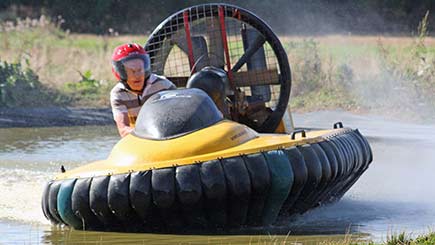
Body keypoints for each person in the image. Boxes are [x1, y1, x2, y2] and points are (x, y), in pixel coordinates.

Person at [110, 43, 176, 137]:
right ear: (121, 72)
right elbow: (123, 130)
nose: (137, 76)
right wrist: (149, 133)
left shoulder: (163, 85)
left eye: (140, 70)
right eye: (132, 71)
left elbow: (179, 115)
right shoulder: (118, 94)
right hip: (139, 139)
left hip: (166, 135)